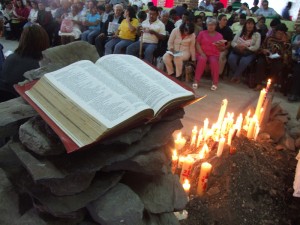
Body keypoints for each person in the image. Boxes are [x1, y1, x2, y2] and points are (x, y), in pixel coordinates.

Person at [0, 25, 49, 96]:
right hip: (21, 99)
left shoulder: (10, 58)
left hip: (6, 98)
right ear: (44, 40)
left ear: (22, 39)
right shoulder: (40, 66)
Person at [254, 23, 289, 90]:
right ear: (275, 32)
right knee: (260, 63)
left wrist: (284, 44)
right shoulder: (269, 38)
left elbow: (287, 53)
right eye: (278, 33)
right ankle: (258, 83)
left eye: (281, 34)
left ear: (284, 34)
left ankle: (270, 84)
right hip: (266, 57)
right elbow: (261, 48)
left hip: (278, 59)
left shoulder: (286, 42)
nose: (279, 35)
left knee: (277, 66)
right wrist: (264, 50)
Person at [194, 17, 223, 90]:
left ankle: (215, 82)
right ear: (206, 25)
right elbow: (197, 44)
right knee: (202, 59)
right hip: (202, 52)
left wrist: (219, 46)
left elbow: (222, 48)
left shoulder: (219, 35)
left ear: (215, 26)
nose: (211, 26)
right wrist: (201, 53)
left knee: (214, 62)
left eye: (213, 25)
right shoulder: (202, 33)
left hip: (213, 54)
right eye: (209, 25)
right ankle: (196, 81)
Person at [228, 18, 261, 83]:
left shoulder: (257, 34)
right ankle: (238, 75)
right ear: (245, 25)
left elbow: (256, 47)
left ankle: (235, 76)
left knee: (244, 61)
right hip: (238, 50)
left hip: (249, 52)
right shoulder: (240, 31)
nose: (249, 25)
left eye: (251, 24)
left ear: (254, 25)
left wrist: (247, 48)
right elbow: (233, 42)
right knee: (231, 59)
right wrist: (237, 46)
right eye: (248, 24)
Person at [288, 25, 300, 101]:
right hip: (297, 59)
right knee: (297, 71)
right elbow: (293, 47)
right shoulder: (297, 37)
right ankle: (294, 94)